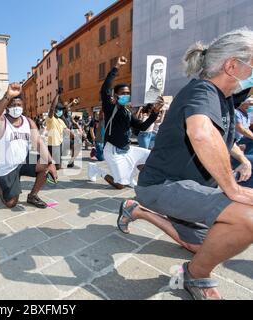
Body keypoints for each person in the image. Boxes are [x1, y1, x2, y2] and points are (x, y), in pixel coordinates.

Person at [117, 28, 253, 300]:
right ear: (232, 65)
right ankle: (195, 275)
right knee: (247, 218)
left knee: (200, 245)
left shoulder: (223, 99)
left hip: (185, 186)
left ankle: (137, 211)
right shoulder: (203, 90)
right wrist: (232, 189)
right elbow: (201, 133)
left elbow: (220, 136)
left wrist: (240, 160)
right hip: (161, 185)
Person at [98, 56, 164, 189]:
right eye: (123, 93)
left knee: (150, 156)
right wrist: (116, 67)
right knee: (120, 185)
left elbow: (142, 126)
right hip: (113, 150)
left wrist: (155, 112)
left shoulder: (128, 112)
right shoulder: (110, 108)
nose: (126, 95)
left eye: (128, 93)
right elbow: (104, 89)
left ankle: (130, 176)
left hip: (127, 149)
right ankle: (96, 170)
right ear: (115, 95)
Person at [0, 83, 58, 209]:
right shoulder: (1, 121)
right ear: (7, 106)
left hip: (23, 162)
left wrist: (51, 162)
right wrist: (7, 96)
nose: (16, 107)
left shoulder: (29, 122)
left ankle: (33, 195)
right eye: (13, 105)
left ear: (23, 106)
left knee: (46, 163)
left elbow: (38, 142)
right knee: (11, 203)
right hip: (7, 166)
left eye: (19, 105)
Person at [46, 94, 74, 170]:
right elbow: (52, 108)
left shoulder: (60, 120)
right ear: (55, 110)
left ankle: (51, 165)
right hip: (52, 144)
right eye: (59, 110)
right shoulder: (50, 119)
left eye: (61, 110)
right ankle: (47, 166)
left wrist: (76, 136)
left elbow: (67, 130)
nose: (60, 111)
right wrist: (57, 94)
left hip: (60, 144)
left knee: (57, 166)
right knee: (55, 166)